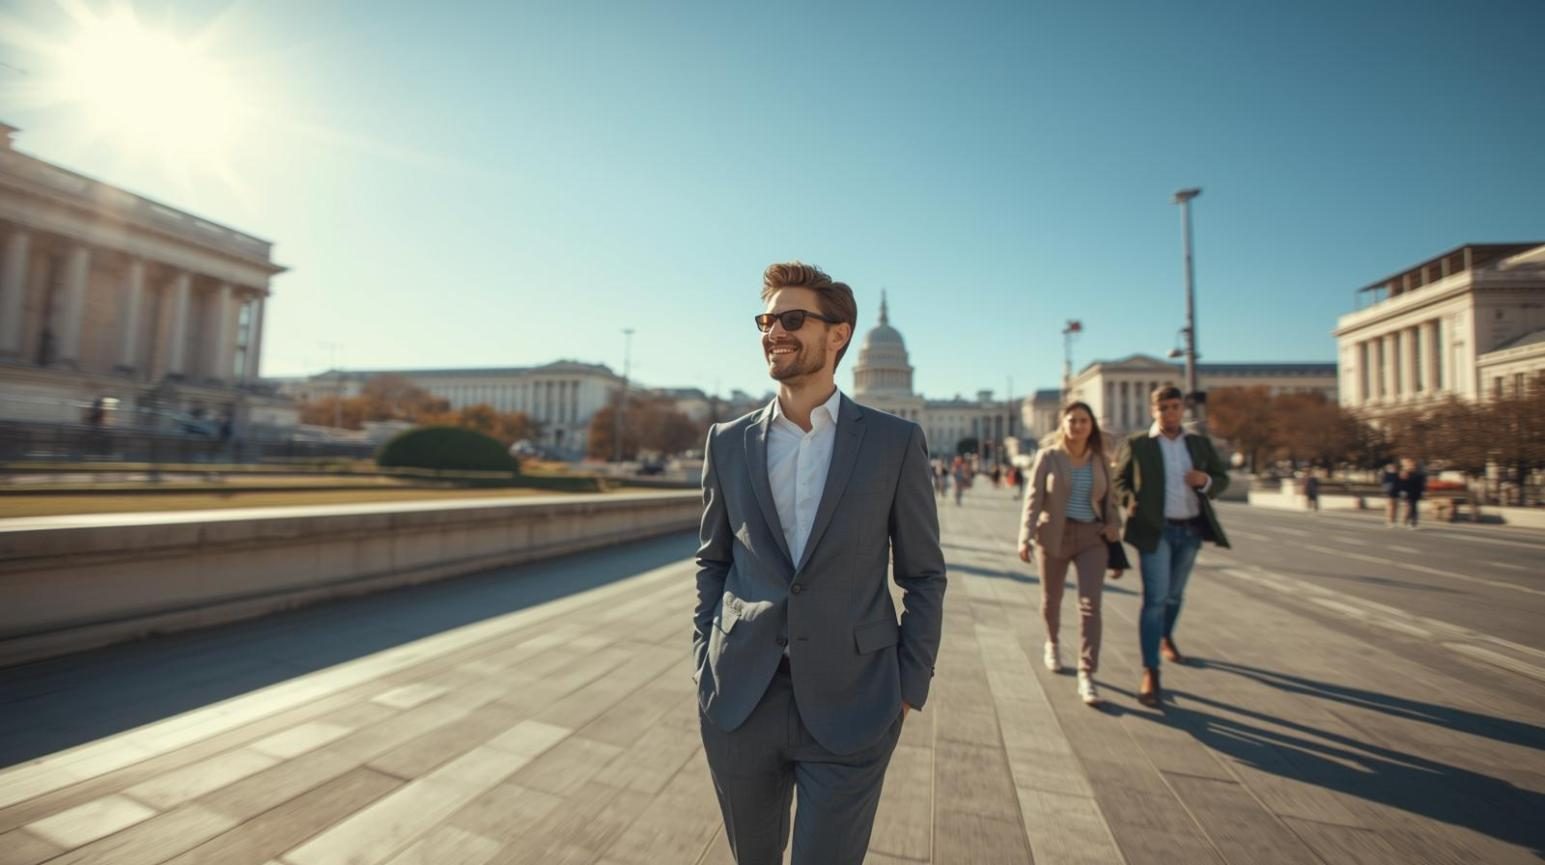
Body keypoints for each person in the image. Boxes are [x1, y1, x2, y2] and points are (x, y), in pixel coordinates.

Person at [693, 261, 947, 865]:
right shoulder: (728, 442)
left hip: (855, 700)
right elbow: (714, 561)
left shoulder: (894, 442)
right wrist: (705, 662)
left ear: (839, 335)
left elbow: (924, 574)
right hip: (741, 698)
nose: (773, 331)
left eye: (792, 318)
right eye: (766, 319)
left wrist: (909, 685)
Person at [1113, 386, 1230, 708]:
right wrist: (1130, 501)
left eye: (1175, 406)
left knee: (1175, 595)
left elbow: (1221, 479)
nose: (1170, 412)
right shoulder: (1138, 444)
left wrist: (1205, 481)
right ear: (1154, 410)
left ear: (1182, 409)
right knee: (1154, 599)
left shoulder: (1198, 443)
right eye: (1163, 407)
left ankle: (1166, 635)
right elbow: (1118, 481)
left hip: (1190, 529)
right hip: (1155, 531)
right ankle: (1151, 670)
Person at [1017, 402, 1124, 706]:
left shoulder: (1101, 460)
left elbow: (1111, 503)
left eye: (1083, 420)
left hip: (1092, 537)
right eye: (1072, 420)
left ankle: (1087, 673)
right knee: (1052, 599)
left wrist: (1115, 525)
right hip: (1054, 536)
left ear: (1091, 426)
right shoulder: (1048, 457)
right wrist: (1025, 536)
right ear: (1062, 424)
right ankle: (1052, 643)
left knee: (1091, 606)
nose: (1078, 426)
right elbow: (1033, 499)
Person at [1399, 458, 1426, 529]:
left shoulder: (1419, 474)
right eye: (1410, 465)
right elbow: (1402, 483)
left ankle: (1413, 523)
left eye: (1413, 465)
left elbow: (1421, 484)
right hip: (1408, 493)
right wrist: (1402, 491)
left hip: (1415, 493)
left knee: (1414, 508)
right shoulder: (1405, 473)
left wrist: (1423, 492)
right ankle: (1407, 521)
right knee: (1409, 507)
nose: (1412, 466)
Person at [1381, 462, 1401, 527]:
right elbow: (1384, 484)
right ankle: (1389, 521)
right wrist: (1385, 491)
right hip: (1389, 493)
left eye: (1393, 467)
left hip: (1397, 493)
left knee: (1395, 508)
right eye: (1390, 467)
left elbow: (1401, 484)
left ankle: (1394, 521)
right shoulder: (1386, 475)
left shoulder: (1398, 475)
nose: (1392, 468)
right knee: (1390, 508)